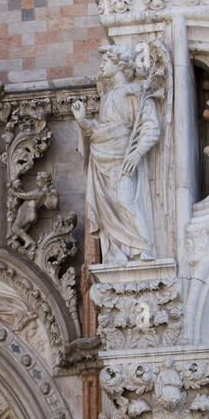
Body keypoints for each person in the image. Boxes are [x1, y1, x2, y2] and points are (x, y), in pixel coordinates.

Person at [72, 46, 161, 265]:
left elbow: (151, 128)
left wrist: (137, 153)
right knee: (107, 208)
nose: (102, 64)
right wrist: (82, 120)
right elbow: (101, 130)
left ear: (119, 64)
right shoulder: (109, 96)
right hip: (102, 159)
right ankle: (117, 251)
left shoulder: (135, 93)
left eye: (106, 61)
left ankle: (144, 246)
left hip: (123, 158)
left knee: (126, 201)